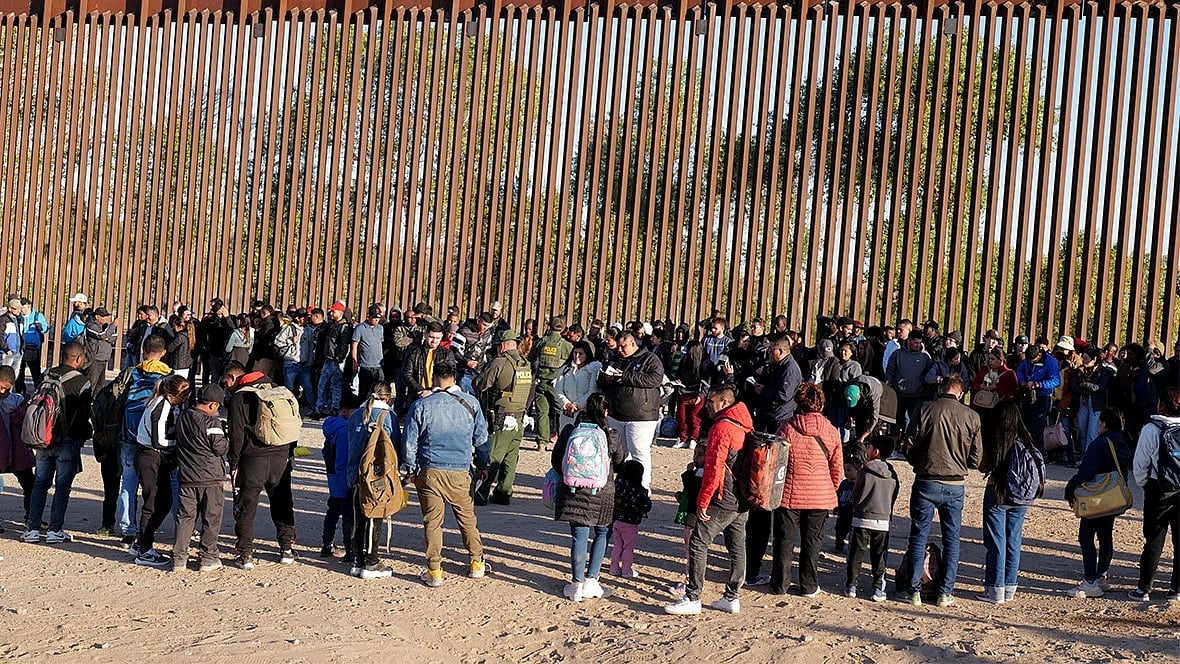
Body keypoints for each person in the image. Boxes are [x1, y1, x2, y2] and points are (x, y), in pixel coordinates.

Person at [402, 362, 489, 588]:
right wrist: (483, 464)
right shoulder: (471, 403)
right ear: (455, 377)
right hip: (460, 471)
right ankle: (476, 563)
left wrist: (410, 469)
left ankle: (434, 570)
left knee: (432, 521)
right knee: (467, 519)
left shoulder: (422, 405)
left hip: (430, 470)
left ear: (433, 377)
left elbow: (410, 442)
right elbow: (481, 439)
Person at [664, 385, 750, 615]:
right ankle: (732, 597)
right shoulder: (744, 423)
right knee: (737, 545)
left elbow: (713, 468)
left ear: (723, 402)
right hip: (743, 494)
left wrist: (703, 501)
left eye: (711, 402)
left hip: (725, 495)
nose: (707, 406)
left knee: (699, 542)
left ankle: (693, 597)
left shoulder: (721, 428)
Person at [900, 375, 981, 606]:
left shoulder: (924, 409)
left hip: (926, 479)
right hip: (955, 483)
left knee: (918, 536)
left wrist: (919, 462)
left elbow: (908, 444)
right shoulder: (971, 416)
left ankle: (914, 590)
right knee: (952, 539)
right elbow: (976, 458)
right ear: (961, 392)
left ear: (940, 389)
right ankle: (945, 592)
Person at [770, 383, 843, 597]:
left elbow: (776, 464)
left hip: (789, 495)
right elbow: (837, 467)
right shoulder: (831, 431)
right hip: (820, 494)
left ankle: (780, 584)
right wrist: (831, 489)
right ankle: (809, 585)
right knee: (813, 542)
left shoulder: (787, 428)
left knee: (784, 541)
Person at [552, 393, 626, 602]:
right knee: (602, 533)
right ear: (605, 411)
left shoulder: (570, 431)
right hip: (603, 492)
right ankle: (592, 582)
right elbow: (620, 463)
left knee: (579, 535)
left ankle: (576, 585)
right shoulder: (611, 434)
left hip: (573, 491)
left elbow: (557, 462)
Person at [225, 364, 297, 569]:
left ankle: (245, 554)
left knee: (246, 507)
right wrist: (289, 454)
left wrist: (233, 462)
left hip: (252, 460)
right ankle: (286, 549)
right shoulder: (279, 391)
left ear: (233, 378)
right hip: (280, 457)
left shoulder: (239, 398)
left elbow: (236, 436)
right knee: (283, 504)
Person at [20, 343, 92, 544]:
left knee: (40, 483)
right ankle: (55, 530)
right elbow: (84, 415)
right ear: (78, 359)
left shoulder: (47, 374)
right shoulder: (83, 382)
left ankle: (32, 528)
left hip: (44, 437)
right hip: (68, 440)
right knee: (62, 486)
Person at [977, 401, 1044, 603]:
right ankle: (1009, 587)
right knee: (1013, 540)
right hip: (1022, 498)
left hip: (998, 494)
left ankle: (995, 588)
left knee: (996, 542)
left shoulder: (998, 439)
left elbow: (982, 466)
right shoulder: (1026, 440)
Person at [1064, 408, 1134, 598]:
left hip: (1096, 498)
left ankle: (1089, 581)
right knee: (1105, 537)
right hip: (1112, 498)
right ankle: (1101, 576)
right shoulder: (1123, 441)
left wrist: (1070, 488)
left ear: (1104, 423)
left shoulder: (1100, 443)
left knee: (1086, 537)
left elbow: (1086, 472)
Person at [115, 335, 172, 544]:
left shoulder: (131, 372)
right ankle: (179, 525)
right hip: (155, 439)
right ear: (164, 353)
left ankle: (126, 527)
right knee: (167, 483)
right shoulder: (168, 377)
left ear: (142, 350)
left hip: (128, 435)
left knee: (128, 483)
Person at [1128, 386, 1180, 601]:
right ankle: (1176, 590)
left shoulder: (1151, 428)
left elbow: (1140, 464)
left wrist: (1145, 484)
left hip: (1158, 489)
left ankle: (1144, 589)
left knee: (1153, 541)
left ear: (1161, 405)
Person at [346, 383, 401, 578]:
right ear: (387, 398)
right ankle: (371, 562)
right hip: (378, 475)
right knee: (374, 515)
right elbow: (395, 447)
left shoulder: (355, 415)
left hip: (355, 472)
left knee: (358, 518)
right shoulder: (388, 417)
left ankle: (357, 560)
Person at [171, 385, 229, 572]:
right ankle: (208, 556)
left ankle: (179, 559)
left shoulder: (184, 416)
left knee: (185, 518)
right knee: (211, 519)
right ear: (212, 405)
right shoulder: (212, 423)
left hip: (187, 476)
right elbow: (221, 448)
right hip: (210, 478)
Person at [597, 331, 664, 489]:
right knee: (619, 453)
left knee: (639, 452)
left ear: (633, 343)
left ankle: (643, 486)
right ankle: (621, 484)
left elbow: (655, 379)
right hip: (616, 414)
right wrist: (606, 379)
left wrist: (626, 376)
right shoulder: (615, 359)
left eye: (623, 346)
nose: (619, 349)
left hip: (641, 416)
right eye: (618, 346)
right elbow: (601, 380)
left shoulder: (649, 358)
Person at [474, 329, 532, 505]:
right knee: (511, 458)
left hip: (501, 417)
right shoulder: (525, 363)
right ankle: (503, 492)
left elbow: (480, 384)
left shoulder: (499, 362)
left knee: (493, 456)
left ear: (503, 345)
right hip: (520, 417)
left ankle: (482, 493)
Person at [844, 435, 899, 601]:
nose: (866, 450)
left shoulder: (864, 471)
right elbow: (894, 495)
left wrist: (857, 506)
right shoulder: (892, 474)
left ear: (875, 451)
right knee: (879, 555)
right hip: (882, 520)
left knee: (856, 553)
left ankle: (851, 585)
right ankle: (877, 589)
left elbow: (856, 493)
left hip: (862, 517)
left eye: (868, 447)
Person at [530, 317, 573, 451]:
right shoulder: (566, 345)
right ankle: (562, 440)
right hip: (558, 384)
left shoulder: (541, 342)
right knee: (560, 412)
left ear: (549, 327)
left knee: (542, 412)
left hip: (541, 382)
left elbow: (530, 358)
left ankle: (541, 443)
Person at [320, 399, 356, 559]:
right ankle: (350, 550)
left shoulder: (332, 427)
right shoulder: (344, 430)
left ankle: (327, 545)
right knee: (348, 515)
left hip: (333, 477)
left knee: (333, 512)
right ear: (345, 410)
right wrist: (349, 481)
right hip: (343, 479)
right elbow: (343, 459)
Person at [0, 366, 33, 526]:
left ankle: (32, 518)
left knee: (30, 485)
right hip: (3, 451)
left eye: (6, 388)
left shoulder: (19, 401)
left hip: (18, 451)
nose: (2, 392)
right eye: (0, 387)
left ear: (12, 385)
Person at [1016, 345, 1062, 453]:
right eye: (1029, 361)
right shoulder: (1027, 361)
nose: (1031, 362)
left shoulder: (1050, 362)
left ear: (1039, 355)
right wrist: (1022, 381)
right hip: (1028, 395)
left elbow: (1056, 381)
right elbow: (1020, 370)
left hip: (1043, 397)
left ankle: (1039, 452)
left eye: (1033, 360)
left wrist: (1039, 384)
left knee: (1038, 427)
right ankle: (1025, 450)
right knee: (1025, 423)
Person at [610, 459, 652, 578]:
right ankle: (626, 570)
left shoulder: (617, 485)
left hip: (617, 520)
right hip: (630, 523)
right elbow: (646, 506)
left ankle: (614, 568)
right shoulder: (637, 490)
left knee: (617, 545)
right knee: (628, 547)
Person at [886, 330, 933, 428]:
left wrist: (927, 391)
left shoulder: (925, 357)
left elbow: (929, 374)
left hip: (917, 395)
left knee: (915, 423)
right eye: (915, 343)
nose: (918, 345)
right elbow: (890, 370)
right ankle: (895, 441)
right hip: (899, 394)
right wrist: (889, 384)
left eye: (920, 343)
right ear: (909, 341)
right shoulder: (897, 354)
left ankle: (910, 442)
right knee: (896, 422)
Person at [553, 340, 602, 434]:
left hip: (584, 411)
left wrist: (577, 405)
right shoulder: (565, 369)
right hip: (567, 412)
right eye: (575, 353)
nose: (577, 356)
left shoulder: (593, 369)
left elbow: (592, 390)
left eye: (581, 354)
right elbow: (558, 389)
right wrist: (566, 404)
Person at [316, 302, 351, 417]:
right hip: (328, 360)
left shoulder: (344, 327)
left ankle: (334, 409)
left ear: (340, 313)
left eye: (333, 311)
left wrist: (339, 359)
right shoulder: (331, 325)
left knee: (335, 387)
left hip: (336, 361)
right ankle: (319, 409)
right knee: (322, 385)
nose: (331, 313)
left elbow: (345, 345)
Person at [672, 339, 706, 450]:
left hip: (697, 393)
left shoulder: (705, 363)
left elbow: (707, 382)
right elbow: (678, 374)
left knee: (694, 417)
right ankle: (683, 438)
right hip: (683, 392)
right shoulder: (685, 360)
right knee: (682, 417)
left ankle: (694, 438)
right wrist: (678, 381)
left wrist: (701, 395)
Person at [350, 304, 386, 400]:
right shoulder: (360, 328)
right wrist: (354, 361)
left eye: (378, 318)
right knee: (364, 392)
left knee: (380, 390)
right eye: (374, 318)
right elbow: (354, 346)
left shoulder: (380, 328)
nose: (376, 320)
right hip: (365, 365)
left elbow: (380, 344)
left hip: (378, 365)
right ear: (369, 316)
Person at [83, 307, 118, 389]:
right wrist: (112, 327)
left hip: (104, 359)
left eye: (106, 316)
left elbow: (114, 336)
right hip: (95, 359)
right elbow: (101, 335)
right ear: (97, 317)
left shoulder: (106, 327)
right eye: (103, 317)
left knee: (100, 384)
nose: (106, 319)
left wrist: (106, 336)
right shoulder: (91, 325)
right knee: (92, 383)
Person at [18, 298, 48, 390]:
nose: (21, 310)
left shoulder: (38, 316)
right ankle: (20, 391)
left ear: (28, 306)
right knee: (19, 372)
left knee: (35, 372)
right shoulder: (19, 317)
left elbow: (46, 329)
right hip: (20, 348)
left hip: (33, 349)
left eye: (22, 307)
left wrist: (40, 327)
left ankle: (38, 391)